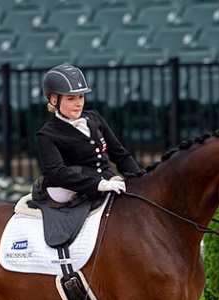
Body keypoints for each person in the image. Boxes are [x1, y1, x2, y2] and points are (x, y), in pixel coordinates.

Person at [34, 64, 145, 204]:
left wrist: (141, 179)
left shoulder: (94, 118)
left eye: (81, 97)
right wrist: (98, 185)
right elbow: (58, 173)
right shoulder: (46, 134)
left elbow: (120, 154)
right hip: (68, 188)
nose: (79, 103)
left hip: (107, 179)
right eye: (71, 99)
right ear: (54, 100)